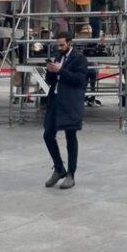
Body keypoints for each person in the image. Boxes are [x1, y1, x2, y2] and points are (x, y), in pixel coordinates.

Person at [43, 33, 89, 189]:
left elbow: (80, 80)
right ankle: (58, 168)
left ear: (70, 43)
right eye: (58, 45)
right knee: (48, 134)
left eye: (62, 45)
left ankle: (71, 174)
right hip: (55, 100)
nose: (59, 48)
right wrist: (50, 70)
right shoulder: (58, 56)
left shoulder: (79, 58)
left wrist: (61, 70)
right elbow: (50, 80)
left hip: (70, 102)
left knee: (71, 136)